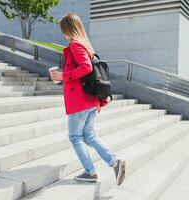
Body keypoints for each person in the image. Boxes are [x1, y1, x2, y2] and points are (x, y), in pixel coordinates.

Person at [49, 13, 126, 185]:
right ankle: (115, 162)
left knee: (75, 137)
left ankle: (90, 172)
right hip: (90, 100)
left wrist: (63, 75)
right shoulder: (86, 46)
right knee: (89, 135)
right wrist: (64, 76)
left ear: (69, 30)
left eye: (64, 30)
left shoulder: (76, 46)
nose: (63, 35)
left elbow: (85, 67)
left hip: (80, 101)